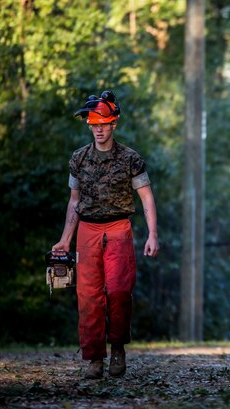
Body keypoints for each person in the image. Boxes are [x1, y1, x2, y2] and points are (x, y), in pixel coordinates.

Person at [52, 90, 159, 379]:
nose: (98, 129)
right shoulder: (78, 159)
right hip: (87, 230)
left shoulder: (130, 159)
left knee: (119, 292)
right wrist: (65, 239)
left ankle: (118, 348)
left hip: (119, 229)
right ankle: (94, 358)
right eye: (93, 124)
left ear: (114, 124)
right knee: (88, 295)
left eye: (103, 123)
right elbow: (74, 201)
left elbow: (146, 198)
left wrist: (152, 234)